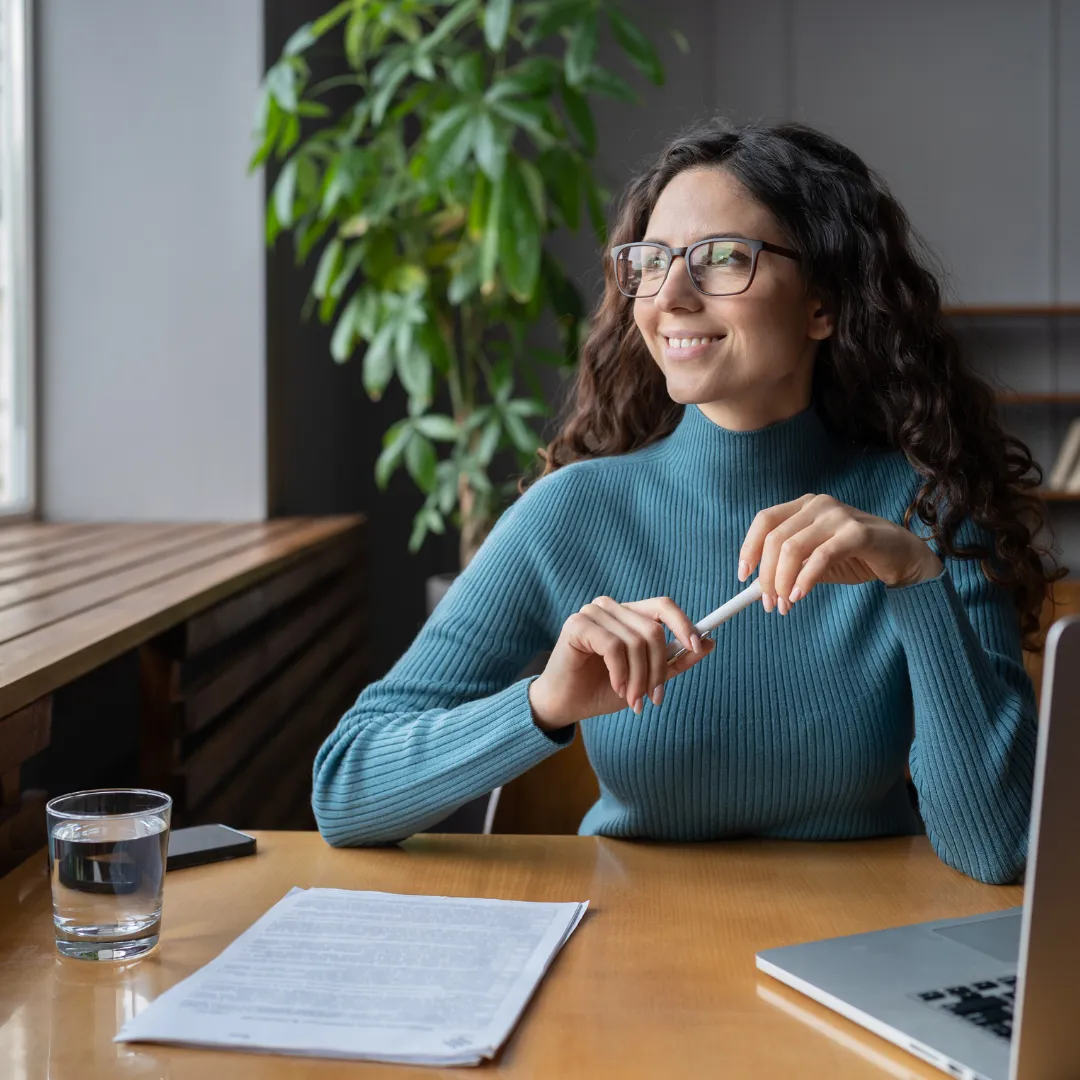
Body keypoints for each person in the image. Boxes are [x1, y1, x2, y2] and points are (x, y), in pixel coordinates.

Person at [313, 118, 1059, 884]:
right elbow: (345, 789)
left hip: (861, 958)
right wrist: (544, 703)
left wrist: (915, 579)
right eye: (651, 261)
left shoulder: (927, 513)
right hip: (631, 964)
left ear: (823, 306)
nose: (670, 295)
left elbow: (997, 849)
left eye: (723, 258)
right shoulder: (570, 514)